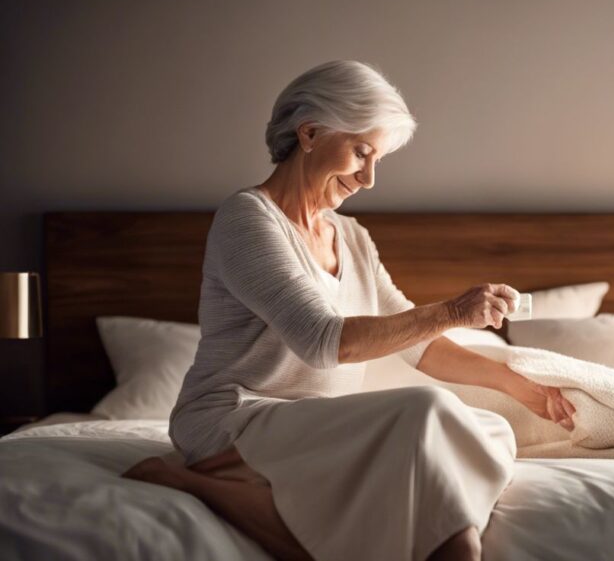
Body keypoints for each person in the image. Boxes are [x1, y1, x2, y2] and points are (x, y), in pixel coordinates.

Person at [122, 60, 576, 561]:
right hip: (234, 419)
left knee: (487, 429)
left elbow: (418, 343)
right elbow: (323, 342)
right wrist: (453, 310)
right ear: (311, 132)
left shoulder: (353, 237)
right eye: (362, 152)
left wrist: (517, 387)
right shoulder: (246, 220)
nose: (369, 178)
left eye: (377, 158)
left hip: (313, 428)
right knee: (423, 412)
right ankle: (200, 482)